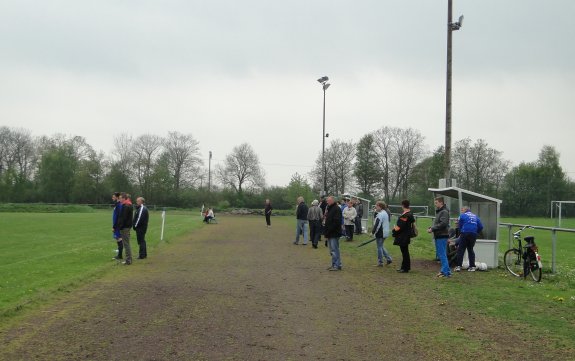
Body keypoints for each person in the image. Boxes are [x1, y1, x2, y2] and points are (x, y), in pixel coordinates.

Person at [427, 197, 451, 278]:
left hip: (442, 235)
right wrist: (432, 227)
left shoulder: (444, 212)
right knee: (442, 254)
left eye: (436, 202)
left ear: (441, 202)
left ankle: (444, 272)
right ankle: (447, 271)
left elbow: (443, 224)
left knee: (442, 254)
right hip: (439, 235)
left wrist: (433, 229)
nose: (435, 204)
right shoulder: (441, 211)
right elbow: (439, 223)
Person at [455, 206, 484, 272]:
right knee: (470, 249)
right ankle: (472, 267)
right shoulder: (475, 216)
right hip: (473, 234)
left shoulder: (462, 215)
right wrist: (476, 232)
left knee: (461, 249)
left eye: (462, 210)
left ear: (465, 210)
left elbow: (460, 225)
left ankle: (458, 266)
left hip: (465, 232)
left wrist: (461, 232)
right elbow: (481, 226)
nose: (461, 211)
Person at [392, 199, 415, 273]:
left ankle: (405, 268)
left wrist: (394, 230)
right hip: (406, 235)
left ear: (402, 205)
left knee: (404, 252)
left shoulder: (405, 215)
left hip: (403, 236)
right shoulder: (410, 214)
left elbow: (400, 226)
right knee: (405, 252)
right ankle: (405, 267)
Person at [324, 196, 343, 271]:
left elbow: (336, 222)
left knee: (335, 250)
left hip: (334, 233)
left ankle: (337, 265)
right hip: (330, 233)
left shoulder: (336, 209)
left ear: (332, 201)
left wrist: (329, 231)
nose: (327, 202)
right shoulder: (330, 208)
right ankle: (334, 264)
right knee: (332, 250)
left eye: (328, 201)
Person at [115, 192, 134, 265]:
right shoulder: (129, 204)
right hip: (127, 227)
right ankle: (129, 259)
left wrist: (120, 227)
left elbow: (123, 218)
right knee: (127, 243)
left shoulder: (126, 206)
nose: (119, 200)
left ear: (123, 198)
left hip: (125, 227)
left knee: (126, 244)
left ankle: (128, 260)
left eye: (120, 198)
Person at [372, 201, 392, 267]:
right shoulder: (385, 213)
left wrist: (373, 232)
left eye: (376, 206)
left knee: (379, 247)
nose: (376, 207)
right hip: (385, 232)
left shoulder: (381, 214)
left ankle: (380, 262)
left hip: (381, 233)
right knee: (381, 246)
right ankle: (389, 259)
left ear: (380, 206)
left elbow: (377, 225)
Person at [112, 192, 123, 260]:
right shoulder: (117, 204)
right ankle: (119, 254)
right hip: (117, 224)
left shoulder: (119, 205)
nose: (112, 198)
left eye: (113, 197)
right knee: (118, 239)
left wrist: (114, 226)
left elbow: (119, 217)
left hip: (117, 225)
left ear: (117, 197)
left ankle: (120, 255)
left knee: (119, 239)